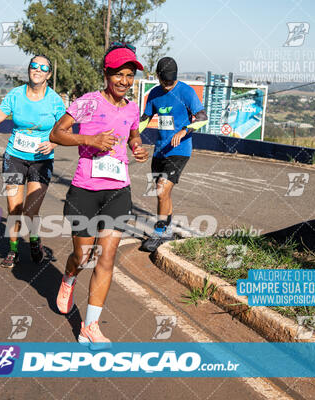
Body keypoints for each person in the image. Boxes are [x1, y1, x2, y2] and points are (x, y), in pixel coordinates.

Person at [49, 43, 149, 350]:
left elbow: (133, 134)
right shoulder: (88, 103)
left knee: (106, 258)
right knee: (84, 257)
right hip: (85, 191)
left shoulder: (133, 108)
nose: (124, 81)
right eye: (118, 74)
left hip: (118, 190)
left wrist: (137, 148)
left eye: (129, 75)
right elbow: (56, 134)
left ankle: (89, 326)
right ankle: (69, 278)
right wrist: (90, 139)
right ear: (106, 75)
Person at [0, 55, 66, 268]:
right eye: (34, 66)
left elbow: (66, 130)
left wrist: (53, 144)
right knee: (14, 207)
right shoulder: (16, 95)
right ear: (29, 70)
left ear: (48, 74)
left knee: (31, 210)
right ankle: (13, 250)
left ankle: (35, 241)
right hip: (15, 157)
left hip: (41, 160)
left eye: (42, 68)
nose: (37, 70)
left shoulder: (55, 100)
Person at [138, 57, 208, 252]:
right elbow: (145, 118)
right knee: (163, 194)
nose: (168, 85)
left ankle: (160, 231)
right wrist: (133, 134)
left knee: (162, 189)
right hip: (160, 150)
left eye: (171, 81)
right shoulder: (153, 94)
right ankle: (166, 230)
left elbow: (202, 117)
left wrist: (185, 130)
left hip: (180, 150)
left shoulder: (186, 91)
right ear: (158, 77)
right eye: (165, 81)